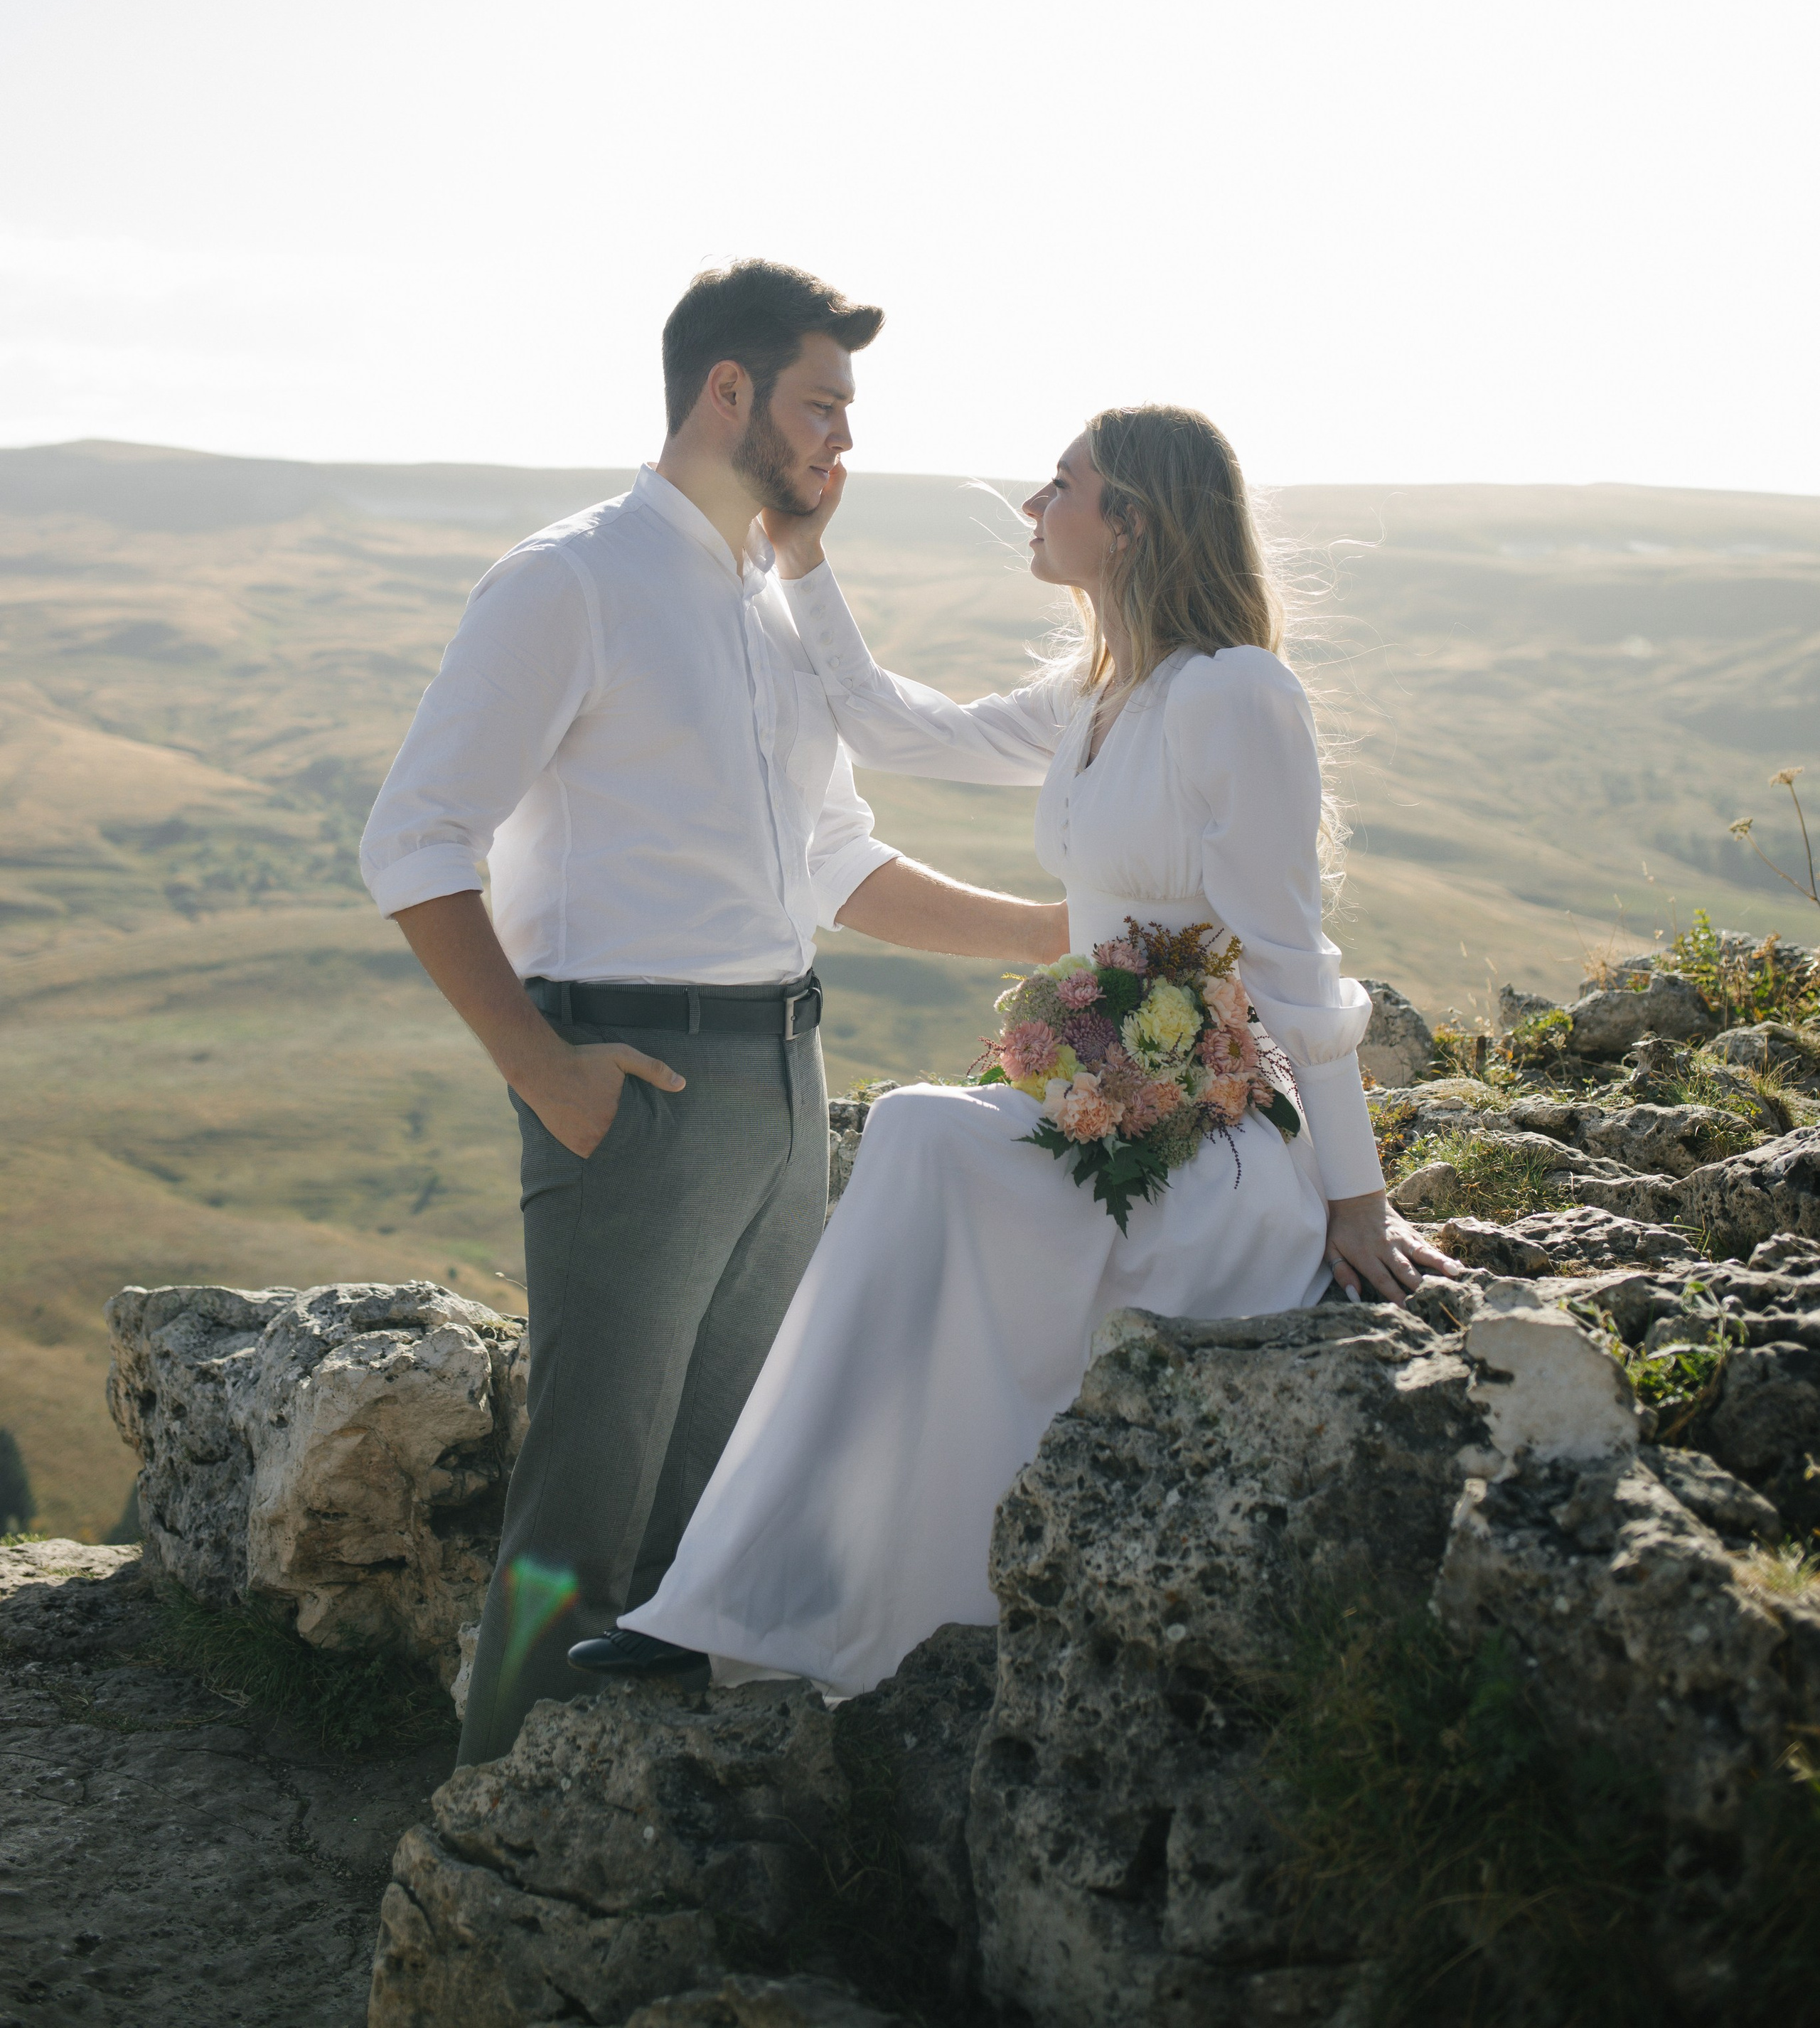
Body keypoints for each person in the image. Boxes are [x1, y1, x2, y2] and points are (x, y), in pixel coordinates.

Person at [576, 403, 1462, 1699]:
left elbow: (1293, 962)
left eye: (1061, 486)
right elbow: (892, 727)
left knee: (925, 1133)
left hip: (1216, 1138)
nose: (1034, 508)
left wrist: (1358, 1198)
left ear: (1134, 519)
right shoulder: (1103, 692)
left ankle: (776, 1599)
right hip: (1113, 1107)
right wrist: (805, 559)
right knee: (919, 1136)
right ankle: (749, 1596)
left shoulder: (1235, 696)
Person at [358, 261, 1069, 1763]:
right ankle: (490, 1835)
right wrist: (545, 1070)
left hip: (786, 1075)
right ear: (726, 394)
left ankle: (660, 1834)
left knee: (729, 1488)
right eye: (821, 404)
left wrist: (1059, 934)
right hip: (636, 1083)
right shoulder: (570, 581)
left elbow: (834, 860)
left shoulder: (772, 609)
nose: (843, 442)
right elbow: (413, 840)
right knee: (585, 1504)